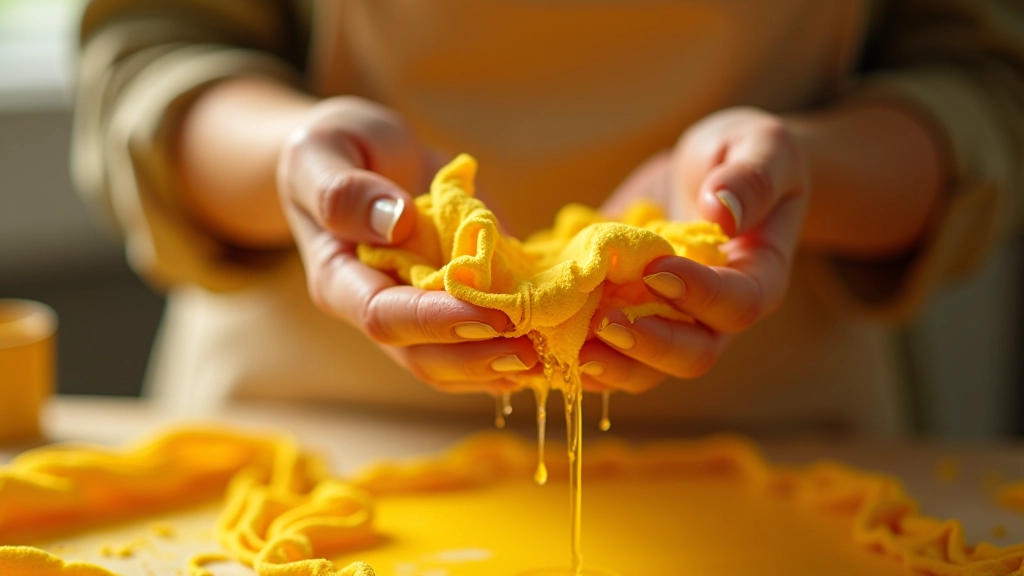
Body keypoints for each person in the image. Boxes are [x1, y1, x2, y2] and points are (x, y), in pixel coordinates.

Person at [72, 0, 1023, 436]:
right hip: (309, 429)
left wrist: (801, 171)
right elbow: (153, 51)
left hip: (784, 441)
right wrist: (296, 161)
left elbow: (985, 84)